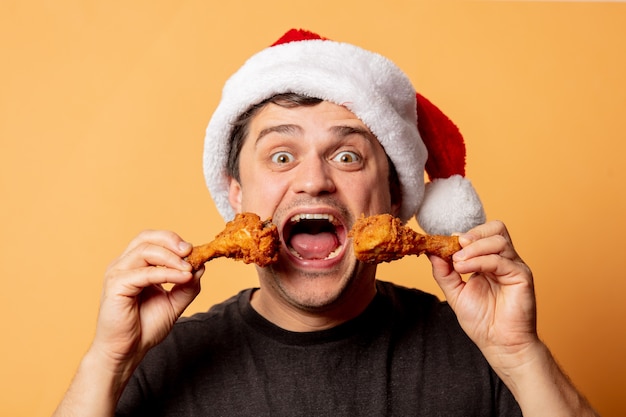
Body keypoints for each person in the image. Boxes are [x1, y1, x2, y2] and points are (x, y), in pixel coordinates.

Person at [53, 29, 598, 416]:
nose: (314, 181)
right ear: (236, 193)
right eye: (282, 156)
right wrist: (108, 361)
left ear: (392, 198)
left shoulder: (480, 354)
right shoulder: (157, 358)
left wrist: (521, 357)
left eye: (347, 156)